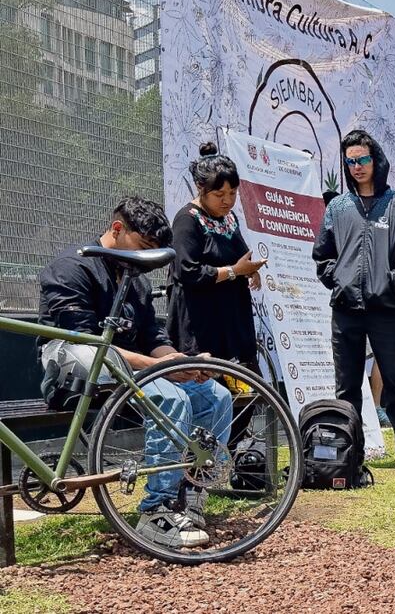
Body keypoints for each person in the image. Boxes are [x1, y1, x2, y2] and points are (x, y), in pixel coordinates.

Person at [38, 197, 232, 548]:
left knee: (214, 395)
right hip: (73, 368)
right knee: (170, 397)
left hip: (132, 371)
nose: (147, 260)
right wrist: (161, 369)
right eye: (143, 248)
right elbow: (86, 343)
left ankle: (189, 492)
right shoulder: (71, 268)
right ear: (117, 229)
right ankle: (155, 512)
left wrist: (182, 363)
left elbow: (153, 338)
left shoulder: (134, 280)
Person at [313, 129, 395, 469]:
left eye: (363, 159)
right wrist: (339, 281)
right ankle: (351, 453)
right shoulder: (337, 208)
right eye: (350, 161)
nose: (357, 167)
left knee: (394, 379)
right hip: (345, 309)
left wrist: (390, 284)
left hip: (385, 309)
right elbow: (323, 255)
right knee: (347, 385)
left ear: (375, 159)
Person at [166, 143, 266, 368]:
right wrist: (234, 271)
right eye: (219, 194)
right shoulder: (187, 219)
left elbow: (238, 254)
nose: (227, 201)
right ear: (200, 188)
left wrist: (250, 270)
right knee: (207, 382)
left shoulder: (229, 218)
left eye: (232, 193)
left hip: (232, 322)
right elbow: (187, 271)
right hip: (202, 325)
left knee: (244, 383)